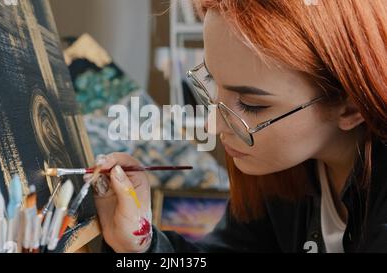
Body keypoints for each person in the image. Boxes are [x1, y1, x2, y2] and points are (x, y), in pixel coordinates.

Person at [85, 0, 387, 253]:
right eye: (213, 86)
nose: (213, 126)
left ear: (350, 106)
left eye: (253, 105)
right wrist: (142, 245)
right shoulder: (284, 172)